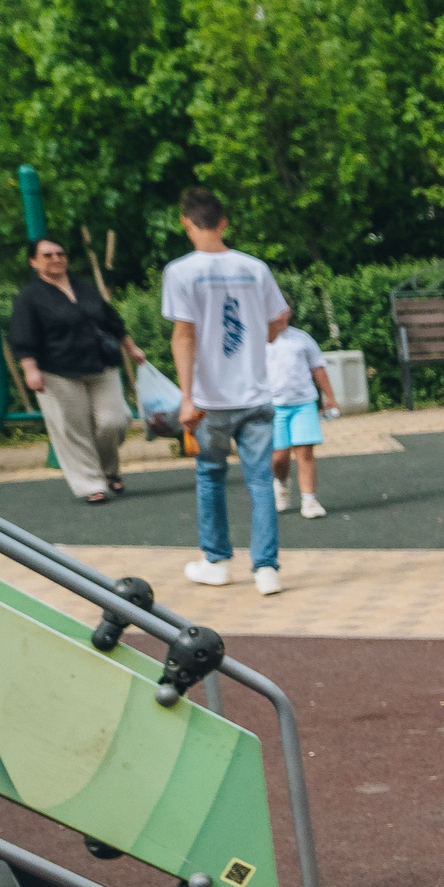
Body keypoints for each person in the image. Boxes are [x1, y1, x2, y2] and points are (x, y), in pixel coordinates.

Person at [162, 187, 290, 596]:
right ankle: (266, 568)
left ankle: (217, 560)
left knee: (210, 476)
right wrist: (257, 341)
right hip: (255, 393)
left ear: (185, 222)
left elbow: (183, 335)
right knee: (260, 481)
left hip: (209, 399)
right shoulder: (254, 268)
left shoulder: (181, 272)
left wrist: (186, 396)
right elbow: (279, 318)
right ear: (223, 222)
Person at [6, 236, 149, 504]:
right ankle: (90, 484)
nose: (56, 259)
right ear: (33, 261)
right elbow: (22, 337)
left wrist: (132, 348)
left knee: (114, 421)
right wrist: (30, 370)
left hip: (101, 365)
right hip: (57, 371)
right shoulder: (29, 297)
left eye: (60, 253)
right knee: (74, 430)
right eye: (48, 255)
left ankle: (109, 469)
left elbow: (111, 320)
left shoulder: (84, 287)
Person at [264, 321, 339, 519]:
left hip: (303, 403)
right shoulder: (258, 339)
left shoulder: (301, 338)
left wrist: (330, 398)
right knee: (278, 457)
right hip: (274, 405)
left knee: (304, 451)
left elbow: (318, 368)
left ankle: (309, 499)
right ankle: (281, 483)